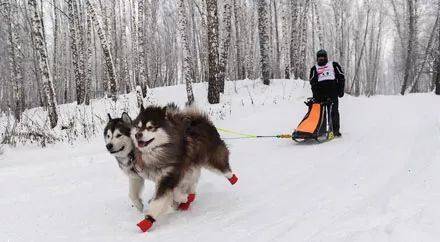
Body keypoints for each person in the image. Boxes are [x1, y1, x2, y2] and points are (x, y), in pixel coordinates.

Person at [309, 49, 345, 137]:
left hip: (333, 92)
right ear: (317, 58)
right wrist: (315, 95)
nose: (321, 59)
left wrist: (341, 90)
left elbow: (341, 77)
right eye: (319, 58)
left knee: (334, 111)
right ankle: (321, 129)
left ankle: (335, 130)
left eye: (323, 57)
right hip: (320, 94)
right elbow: (313, 82)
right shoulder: (314, 68)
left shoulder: (333, 65)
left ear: (326, 57)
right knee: (321, 112)